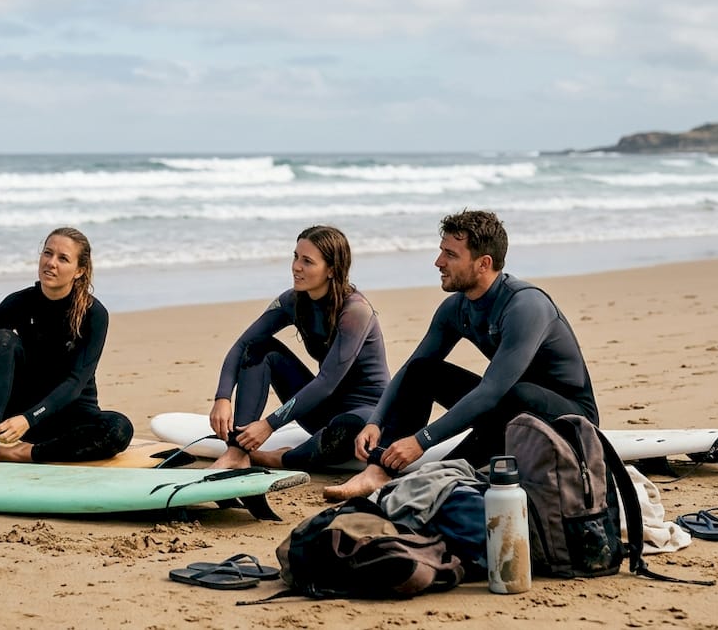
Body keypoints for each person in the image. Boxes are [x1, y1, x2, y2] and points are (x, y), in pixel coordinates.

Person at [323, 210, 600, 501]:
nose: (438, 262)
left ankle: (441, 472)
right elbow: (409, 372)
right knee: (423, 370)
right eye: (441, 251)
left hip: (570, 421)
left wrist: (421, 441)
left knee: (516, 395)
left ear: (484, 264)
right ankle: (379, 470)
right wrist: (375, 421)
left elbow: (491, 392)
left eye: (450, 255)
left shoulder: (525, 306)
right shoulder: (455, 308)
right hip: (506, 411)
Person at [208, 225, 391, 471]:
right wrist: (222, 397)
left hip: (366, 414)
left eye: (307, 261)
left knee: (345, 432)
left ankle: (279, 458)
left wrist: (269, 424)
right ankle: (237, 451)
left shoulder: (354, 311)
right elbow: (244, 344)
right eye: (295, 257)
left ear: (331, 270)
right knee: (259, 348)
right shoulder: (293, 301)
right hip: (322, 410)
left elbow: (326, 381)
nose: (296, 266)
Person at [0, 227, 134, 466]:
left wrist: (29, 419)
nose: (51, 263)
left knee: (119, 428)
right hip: (15, 420)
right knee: (1, 339)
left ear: (79, 271)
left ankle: (22, 454)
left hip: (68, 414)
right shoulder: (17, 303)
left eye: (63, 259)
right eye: (47, 253)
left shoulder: (93, 314)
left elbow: (75, 382)